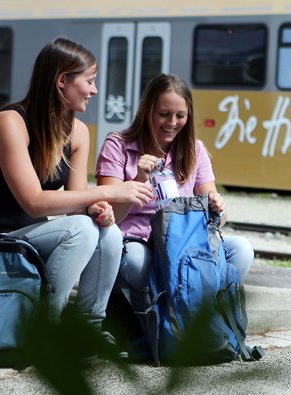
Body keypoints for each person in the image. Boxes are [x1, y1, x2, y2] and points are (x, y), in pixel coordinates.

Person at [0, 38, 154, 333]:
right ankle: (46, 330)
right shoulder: (9, 122)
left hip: (31, 237)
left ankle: (89, 328)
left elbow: (78, 203)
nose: (94, 90)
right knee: (82, 229)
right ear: (62, 80)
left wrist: (98, 208)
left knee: (108, 232)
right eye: (89, 81)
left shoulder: (77, 131)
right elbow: (33, 202)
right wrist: (108, 191)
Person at [95, 73, 254, 312]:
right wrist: (138, 181)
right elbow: (109, 218)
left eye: (180, 115)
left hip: (184, 245)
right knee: (136, 261)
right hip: (139, 241)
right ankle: (166, 317)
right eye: (164, 114)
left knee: (241, 250)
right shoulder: (118, 145)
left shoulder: (194, 150)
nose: (172, 122)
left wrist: (216, 207)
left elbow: (217, 221)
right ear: (147, 110)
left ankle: (193, 317)